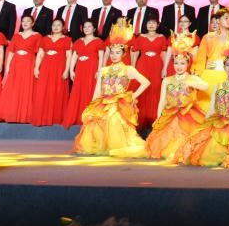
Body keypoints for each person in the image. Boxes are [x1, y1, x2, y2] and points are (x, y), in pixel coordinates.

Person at [73, 20, 150, 157]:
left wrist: (132, 96)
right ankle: (102, 145)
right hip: (104, 101)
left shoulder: (128, 69)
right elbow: (98, 89)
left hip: (119, 102)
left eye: (117, 52)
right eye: (112, 52)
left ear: (123, 54)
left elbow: (146, 82)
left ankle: (116, 146)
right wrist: (91, 105)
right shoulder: (104, 70)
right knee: (94, 120)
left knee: (113, 117)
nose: (114, 55)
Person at [172, 46, 229, 167]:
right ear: (224, 67)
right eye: (228, 65)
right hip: (218, 123)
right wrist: (205, 126)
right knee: (204, 153)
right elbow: (211, 109)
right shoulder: (218, 85)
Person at [143, 42, 209, 160]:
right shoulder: (167, 80)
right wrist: (159, 119)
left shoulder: (192, 78)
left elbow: (205, 86)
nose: (179, 66)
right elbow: (162, 101)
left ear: (188, 64)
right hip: (171, 113)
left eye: (182, 63)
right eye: (176, 63)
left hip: (188, 114)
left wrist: (189, 83)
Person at [194, 9, 229, 111]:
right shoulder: (208, 37)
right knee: (206, 107)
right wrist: (198, 76)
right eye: (226, 18)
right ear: (218, 20)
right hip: (210, 75)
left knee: (227, 107)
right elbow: (200, 59)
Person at [0, 14, 41, 123]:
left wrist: (36, 67)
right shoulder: (16, 36)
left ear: (32, 23)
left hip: (29, 63)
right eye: (23, 21)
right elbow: (11, 51)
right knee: (14, 87)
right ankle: (13, 114)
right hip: (16, 63)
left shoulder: (37, 36)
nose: (25, 23)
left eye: (28, 21)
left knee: (27, 87)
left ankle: (25, 115)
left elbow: (40, 53)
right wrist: (8, 66)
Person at [30, 18, 72, 126]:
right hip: (46, 68)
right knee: (44, 90)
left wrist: (67, 70)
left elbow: (69, 56)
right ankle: (43, 116)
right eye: (54, 25)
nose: (56, 27)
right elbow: (40, 54)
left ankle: (56, 117)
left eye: (58, 25)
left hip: (59, 69)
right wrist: (36, 68)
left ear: (63, 27)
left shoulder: (67, 39)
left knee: (57, 90)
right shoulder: (45, 39)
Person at [63, 20, 103, 127]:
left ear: (94, 29)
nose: (86, 29)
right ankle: (77, 116)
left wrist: (99, 70)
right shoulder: (79, 41)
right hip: (80, 69)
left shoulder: (98, 41)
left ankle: (89, 117)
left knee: (90, 90)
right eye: (85, 27)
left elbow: (101, 58)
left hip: (92, 69)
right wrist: (71, 70)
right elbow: (74, 56)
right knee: (78, 90)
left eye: (89, 26)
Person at [131, 17, 167, 127]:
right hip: (142, 65)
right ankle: (140, 118)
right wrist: (133, 68)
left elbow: (164, 54)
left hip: (157, 65)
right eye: (149, 23)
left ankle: (154, 118)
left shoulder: (162, 38)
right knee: (141, 87)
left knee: (155, 88)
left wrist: (164, 68)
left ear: (157, 25)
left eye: (154, 23)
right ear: (146, 25)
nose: (151, 25)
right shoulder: (141, 37)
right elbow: (135, 53)